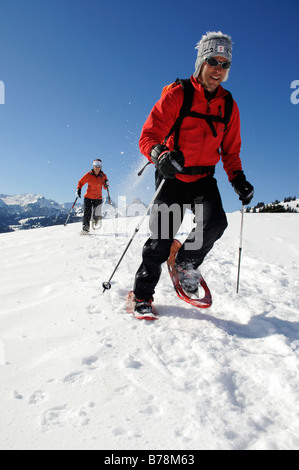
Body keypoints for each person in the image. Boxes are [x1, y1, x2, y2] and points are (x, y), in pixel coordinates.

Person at [132, 31, 254, 316]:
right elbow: (148, 136)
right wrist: (160, 156)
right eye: (214, 61)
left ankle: (185, 262)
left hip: (203, 179)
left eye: (225, 65)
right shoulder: (179, 94)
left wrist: (238, 179)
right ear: (201, 62)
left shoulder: (228, 105)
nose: (219, 70)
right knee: (160, 242)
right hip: (172, 178)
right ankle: (142, 295)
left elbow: (231, 151)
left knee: (214, 224)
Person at [76, 159, 109, 234]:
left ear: (101, 167)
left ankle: (95, 219)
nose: (97, 168)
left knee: (96, 215)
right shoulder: (88, 175)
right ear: (93, 166)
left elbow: (105, 187)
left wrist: (106, 184)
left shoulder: (103, 176)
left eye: (99, 166)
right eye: (96, 166)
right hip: (88, 197)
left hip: (98, 198)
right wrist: (79, 189)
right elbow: (81, 182)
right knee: (87, 213)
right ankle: (85, 230)